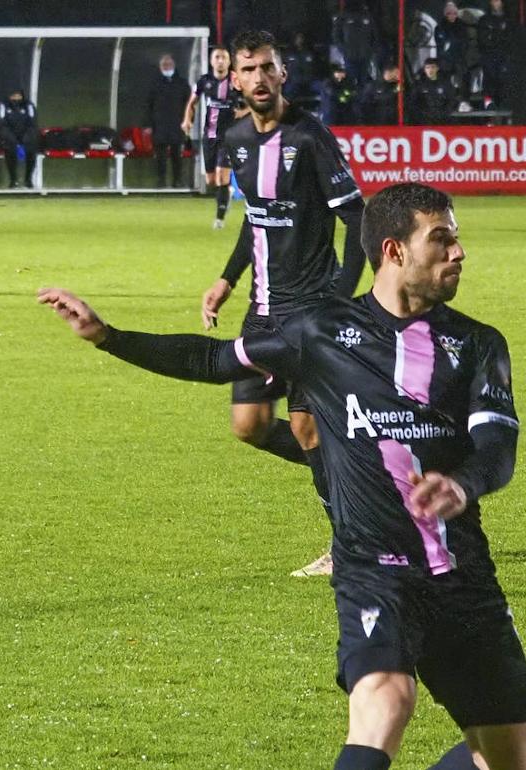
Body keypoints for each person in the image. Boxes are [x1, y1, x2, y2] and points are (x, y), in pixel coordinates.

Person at [37, 182, 526, 770]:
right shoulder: (318, 331)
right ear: (394, 250)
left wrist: (462, 484)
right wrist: (108, 337)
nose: (459, 252)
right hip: (375, 571)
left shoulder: (479, 344)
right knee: (385, 703)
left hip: (465, 578)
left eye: (456, 239)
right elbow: (213, 359)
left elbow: (497, 447)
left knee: (512, 759)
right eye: (443, 239)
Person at [204, 29, 366, 577]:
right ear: (235, 79)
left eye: (267, 68)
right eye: (248, 70)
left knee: (307, 429)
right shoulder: (236, 140)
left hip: (312, 312)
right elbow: (256, 220)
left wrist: (340, 302)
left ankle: (348, 542)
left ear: (282, 73)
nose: (259, 79)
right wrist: (227, 280)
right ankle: (361, 476)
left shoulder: (313, 137)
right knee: (249, 425)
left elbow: (357, 220)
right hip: (262, 311)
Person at [183, 47, 239, 228]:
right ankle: (227, 193)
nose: (220, 60)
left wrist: (243, 113)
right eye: (217, 57)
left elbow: (252, 102)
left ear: (229, 61)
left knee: (222, 177)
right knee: (211, 180)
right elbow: (193, 102)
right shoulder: (204, 81)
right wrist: (187, 120)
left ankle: (219, 219)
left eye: (224, 57)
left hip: (229, 137)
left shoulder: (236, 80)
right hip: (210, 135)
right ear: (211, 61)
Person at [148, 53, 192, 188]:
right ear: (160, 67)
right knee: (160, 156)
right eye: (164, 65)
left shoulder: (182, 84)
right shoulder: (154, 83)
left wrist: (189, 120)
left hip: (177, 125)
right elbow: (148, 105)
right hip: (159, 126)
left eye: (169, 64)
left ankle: (177, 181)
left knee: (176, 155)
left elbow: (190, 105)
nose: (167, 67)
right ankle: (160, 181)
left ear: (174, 65)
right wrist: (149, 124)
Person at [433, 2, 472, 112]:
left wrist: (453, 44)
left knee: (464, 74)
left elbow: (464, 42)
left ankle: (464, 101)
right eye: (449, 13)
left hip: (459, 57)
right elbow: (441, 44)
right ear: (446, 14)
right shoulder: (440, 27)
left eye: (454, 13)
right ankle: (446, 101)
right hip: (446, 59)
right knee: (443, 76)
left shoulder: (461, 26)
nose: (452, 15)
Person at [331, 0, 379, 86]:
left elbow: (375, 35)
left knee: (364, 80)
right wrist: (344, 50)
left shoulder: (368, 16)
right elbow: (336, 36)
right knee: (351, 80)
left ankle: (363, 98)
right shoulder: (343, 17)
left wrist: (370, 50)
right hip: (350, 56)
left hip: (365, 55)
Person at [475, 0, 512, 110]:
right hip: (488, 55)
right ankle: (488, 103)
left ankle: (503, 103)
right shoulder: (484, 20)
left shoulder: (507, 20)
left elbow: (510, 38)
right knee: (489, 78)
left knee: (503, 79)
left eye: (498, 1)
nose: (496, 3)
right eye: (494, 1)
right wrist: (494, 40)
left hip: (503, 55)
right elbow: (482, 39)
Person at [0, 88, 38, 188]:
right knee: (10, 151)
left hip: (26, 139)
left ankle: (28, 180)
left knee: (31, 152)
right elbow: (2, 124)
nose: (16, 98)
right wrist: (11, 138)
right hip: (9, 139)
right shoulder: (3, 106)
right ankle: (13, 180)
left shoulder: (29, 106)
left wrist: (26, 138)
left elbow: (32, 124)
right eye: (13, 96)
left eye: (18, 96)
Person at [359, 61, 406, 125]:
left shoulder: (397, 85)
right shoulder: (373, 86)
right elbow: (378, 100)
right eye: (396, 72)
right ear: (388, 72)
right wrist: (395, 91)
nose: (399, 75)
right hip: (378, 123)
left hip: (395, 122)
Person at [412, 58, 456, 125]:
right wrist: (423, 114)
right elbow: (415, 102)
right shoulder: (419, 85)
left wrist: (445, 113)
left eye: (433, 67)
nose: (430, 70)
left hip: (443, 119)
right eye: (427, 68)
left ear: (437, 68)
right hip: (425, 120)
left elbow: (451, 99)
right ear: (424, 70)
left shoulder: (445, 83)